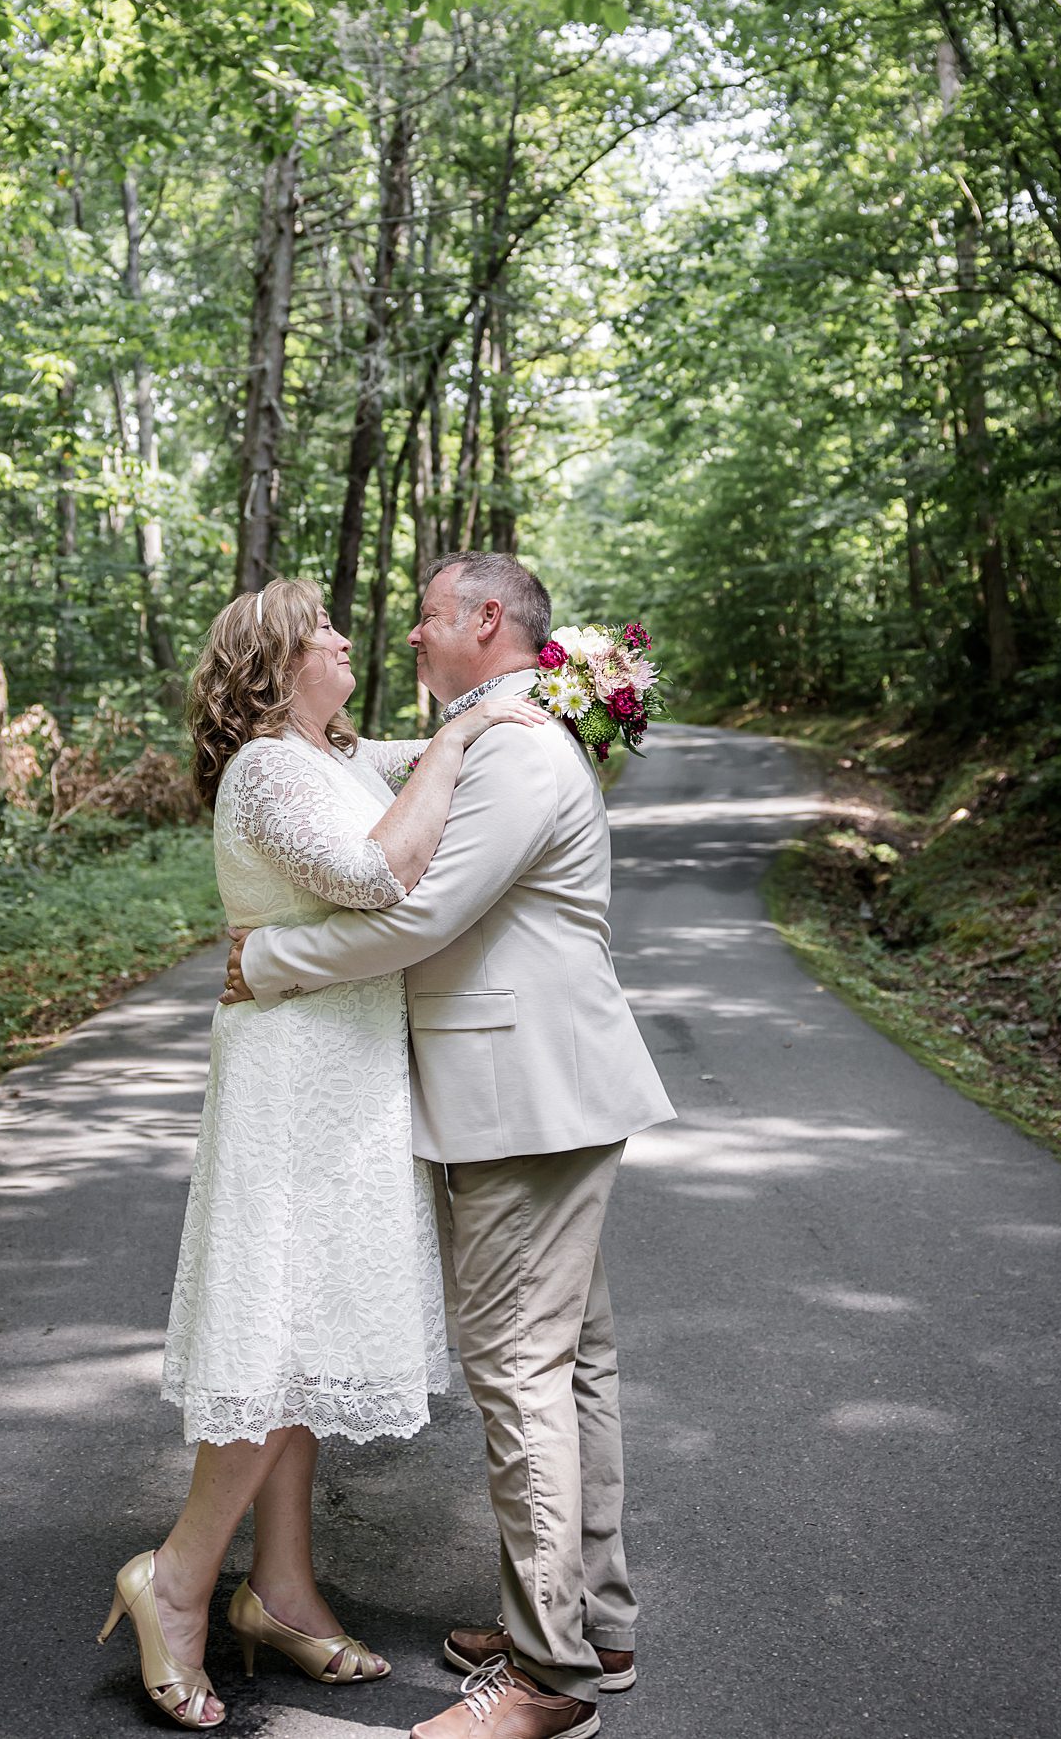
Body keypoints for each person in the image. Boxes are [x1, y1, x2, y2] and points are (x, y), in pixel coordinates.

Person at [223, 550, 675, 1739]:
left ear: (485, 620)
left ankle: (547, 1682)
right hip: (533, 1094)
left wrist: (265, 963)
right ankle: (592, 1624)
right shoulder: (487, 736)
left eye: (427, 616)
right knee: (572, 1367)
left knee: (520, 1375)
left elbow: (419, 912)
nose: (409, 637)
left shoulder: (519, 749)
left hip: (522, 1100)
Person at [99, 576, 546, 1731]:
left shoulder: (339, 757)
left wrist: (509, 703)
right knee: (273, 1333)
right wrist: (456, 736)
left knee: (303, 1338)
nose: (349, 636)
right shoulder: (264, 769)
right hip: (290, 1078)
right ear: (278, 659)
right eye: (325, 628)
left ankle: (283, 1592)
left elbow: (453, 753)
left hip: (349, 1075)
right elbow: (370, 876)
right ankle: (179, 1579)